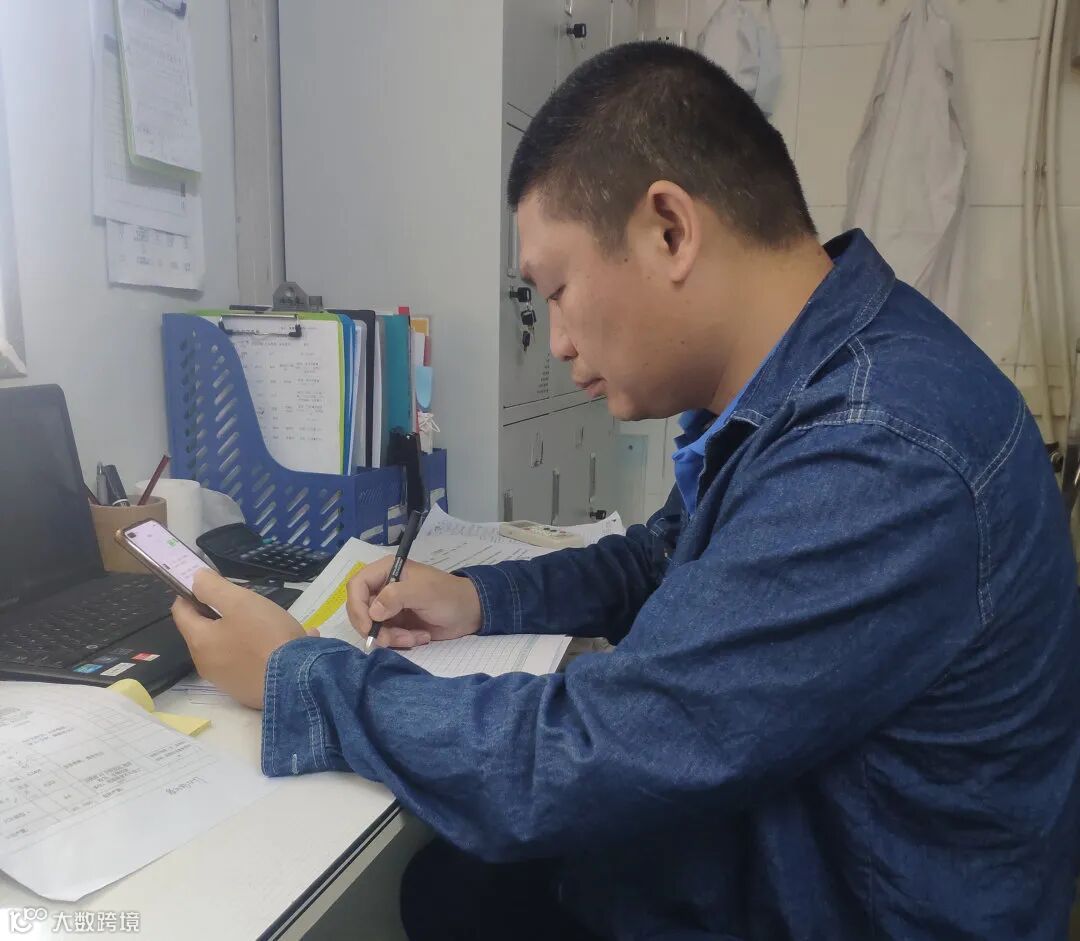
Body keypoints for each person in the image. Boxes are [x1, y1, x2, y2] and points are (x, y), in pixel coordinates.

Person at [171, 42, 1080, 940]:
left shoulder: (876, 451)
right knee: (454, 885)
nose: (558, 340)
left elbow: (596, 749)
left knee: (459, 888)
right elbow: (660, 558)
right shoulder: (812, 385)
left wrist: (301, 677)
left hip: (842, 905)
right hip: (789, 846)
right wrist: (480, 597)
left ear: (669, 231)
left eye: (558, 288)